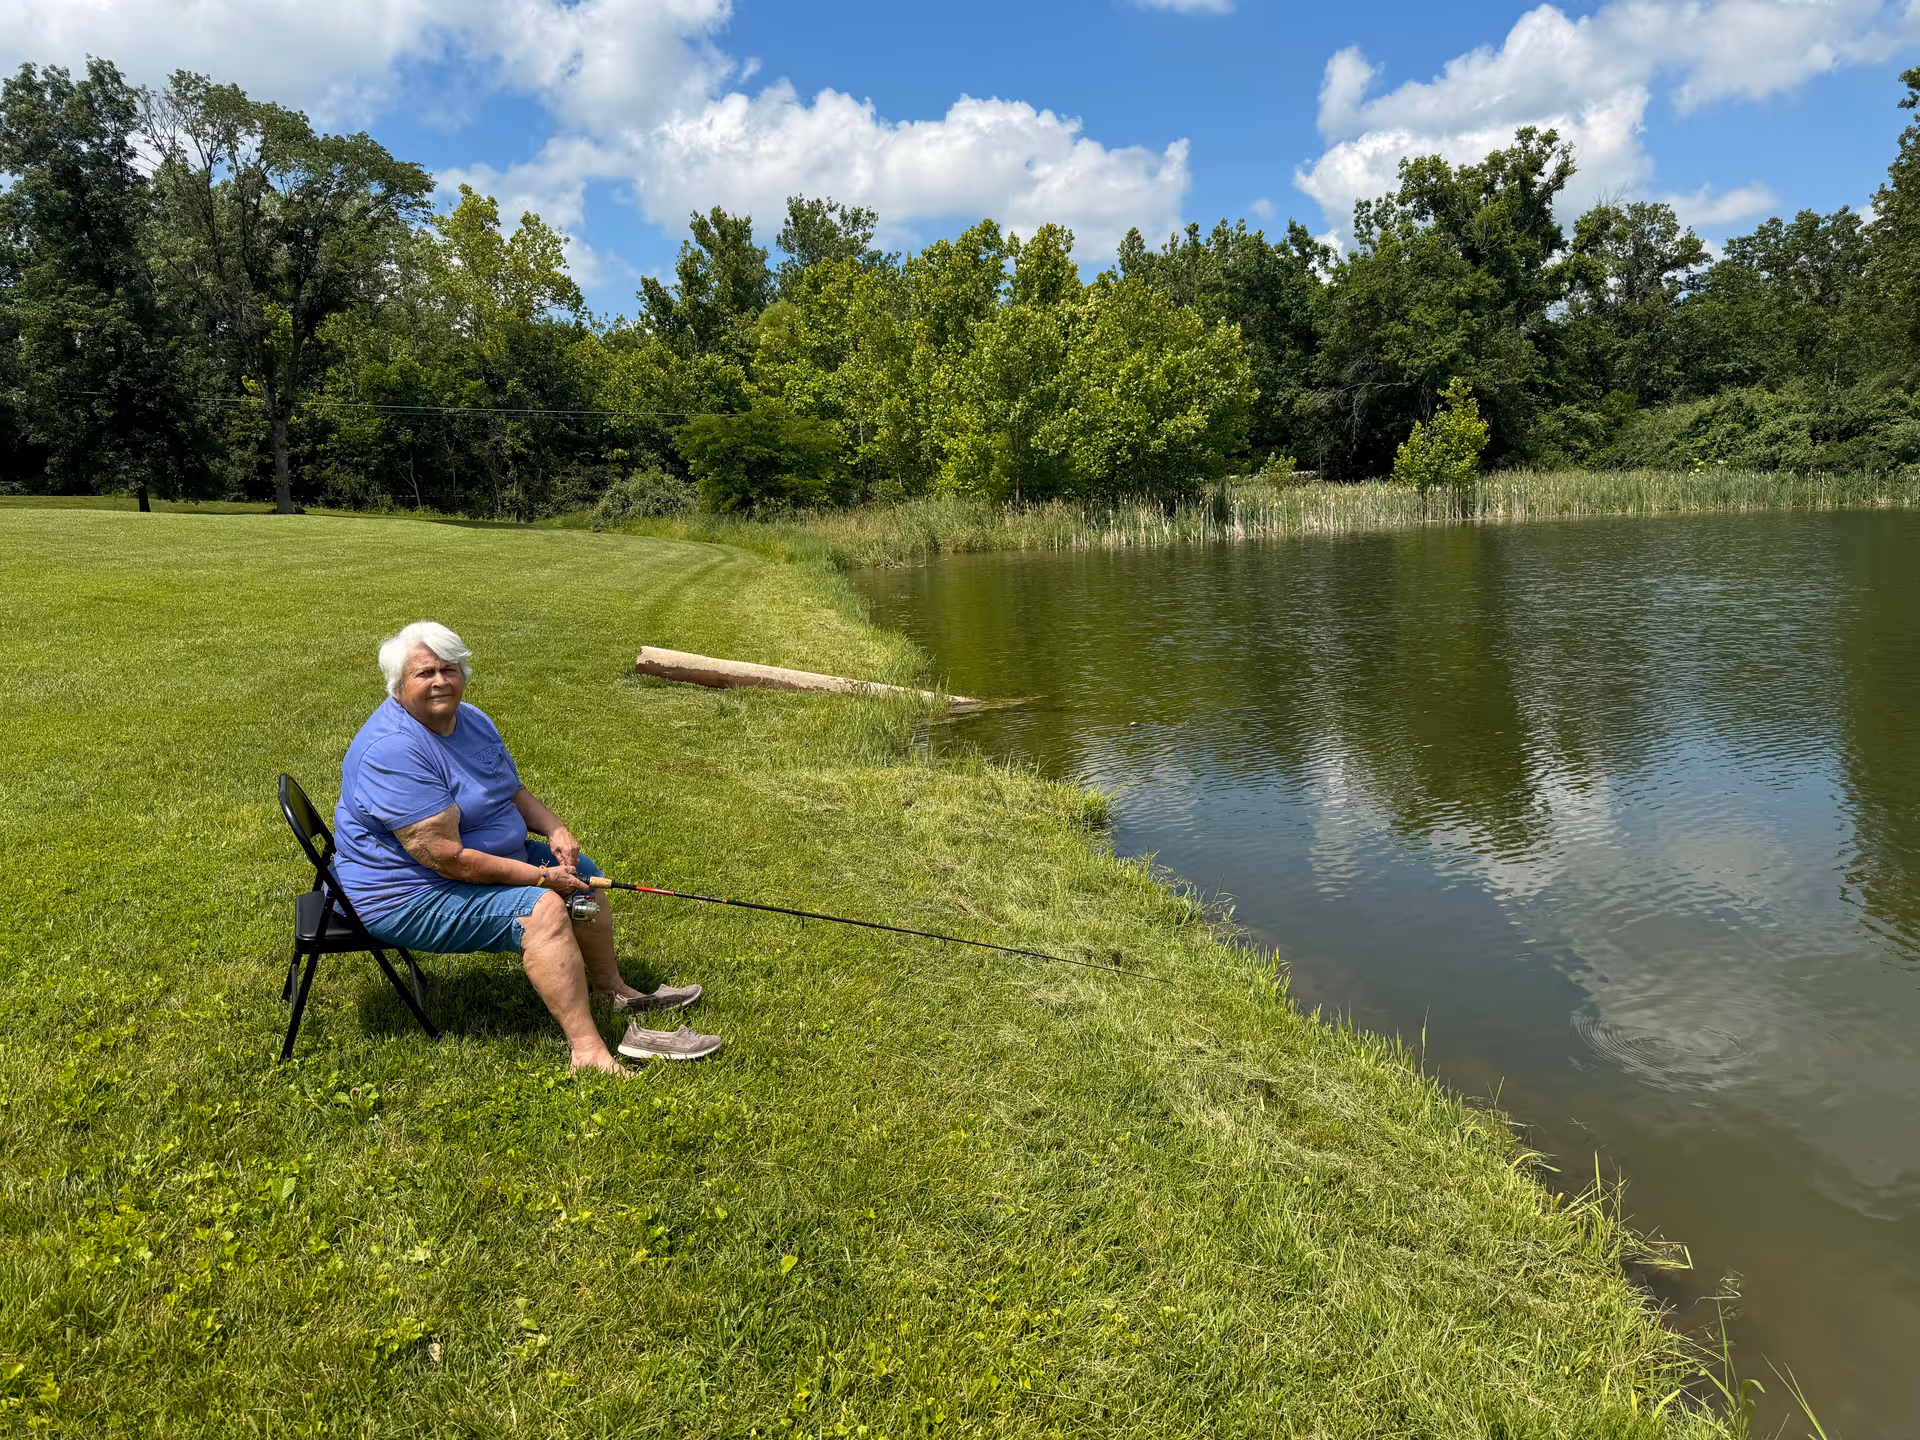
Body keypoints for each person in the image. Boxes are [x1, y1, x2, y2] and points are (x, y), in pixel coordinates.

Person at [332, 620, 721, 1071]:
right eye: (425, 673)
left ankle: (612, 991)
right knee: (545, 910)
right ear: (398, 685)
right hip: (406, 893)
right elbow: (447, 860)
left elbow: (511, 792)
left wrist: (556, 829)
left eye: (449, 669)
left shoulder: (471, 720)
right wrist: (541, 878)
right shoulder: (394, 750)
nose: (441, 681)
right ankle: (590, 1052)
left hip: (479, 858)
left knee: (583, 875)